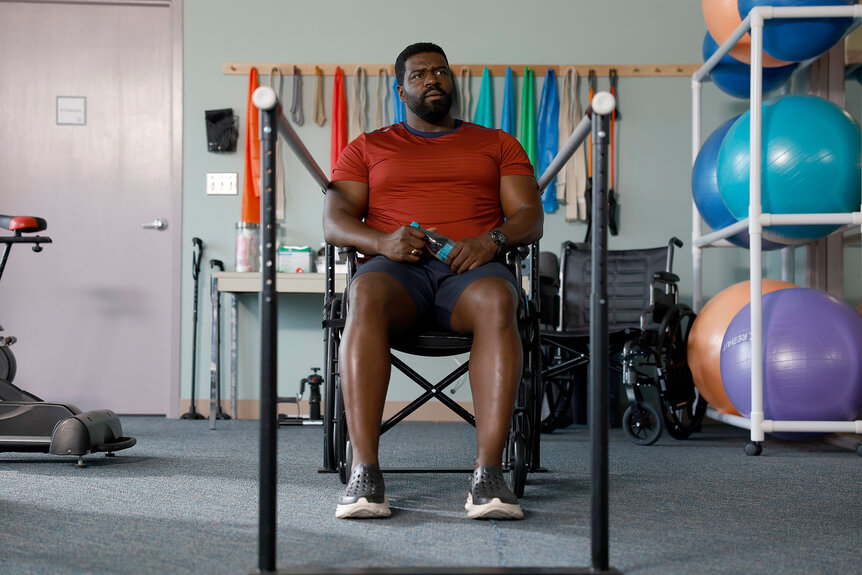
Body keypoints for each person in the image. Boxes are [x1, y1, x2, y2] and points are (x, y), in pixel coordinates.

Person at [323, 42, 543, 520]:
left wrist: (492, 240)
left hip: (472, 269)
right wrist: (383, 243)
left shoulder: (497, 143)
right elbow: (335, 221)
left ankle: (489, 474)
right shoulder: (367, 146)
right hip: (396, 270)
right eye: (419, 74)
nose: (432, 80)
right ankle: (365, 471)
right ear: (400, 89)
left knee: (499, 301)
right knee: (362, 294)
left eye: (440, 71)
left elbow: (530, 215)